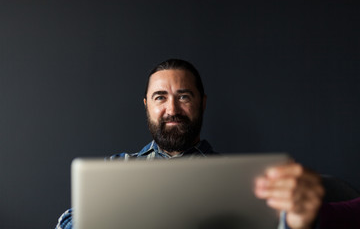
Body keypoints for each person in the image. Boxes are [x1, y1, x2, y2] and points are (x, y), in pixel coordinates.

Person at [55, 59, 324, 229]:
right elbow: (66, 223)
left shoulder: (241, 179)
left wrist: (297, 222)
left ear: (202, 103)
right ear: (147, 106)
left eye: (183, 96)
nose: (172, 109)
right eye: (160, 97)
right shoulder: (115, 169)